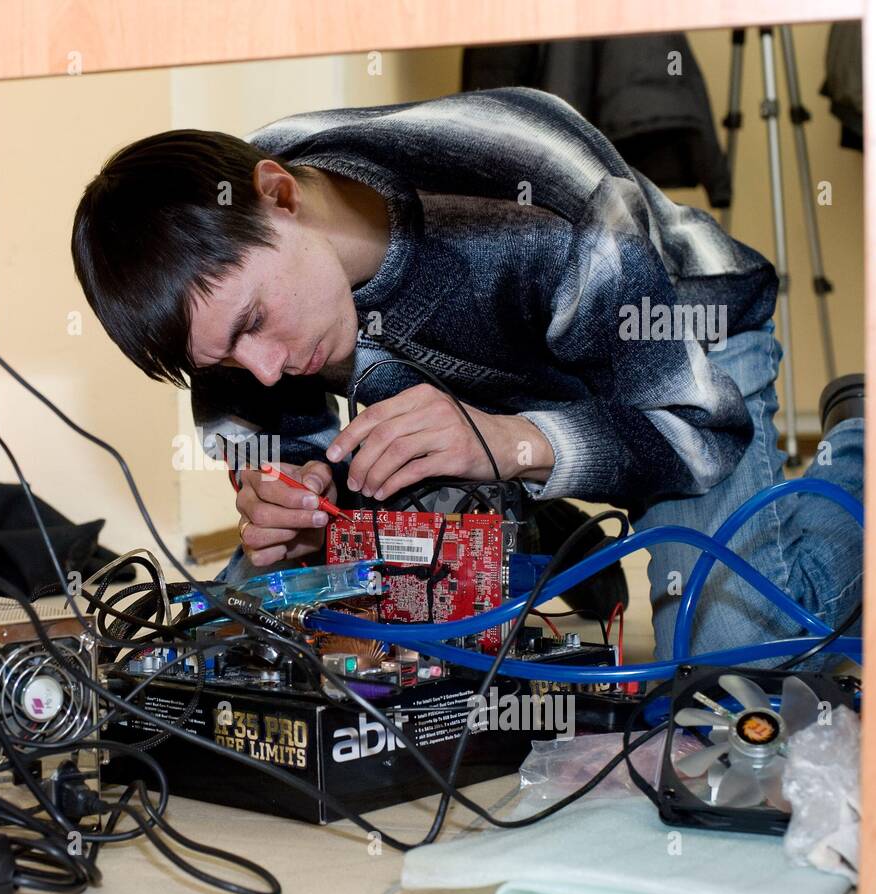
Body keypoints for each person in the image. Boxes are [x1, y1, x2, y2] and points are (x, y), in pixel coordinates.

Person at [71, 87, 863, 667]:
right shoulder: (218, 256)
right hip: (487, 404)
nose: (266, 368)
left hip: (678, 361)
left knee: (734, 659)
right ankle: (544, 523)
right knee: (246, 632)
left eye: (253, 326)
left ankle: (857, 442)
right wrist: (299, 505)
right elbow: (268, 452)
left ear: (281, 196)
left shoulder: (531, 190)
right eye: (227, 359)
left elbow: (692, 425)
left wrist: (512, 443)